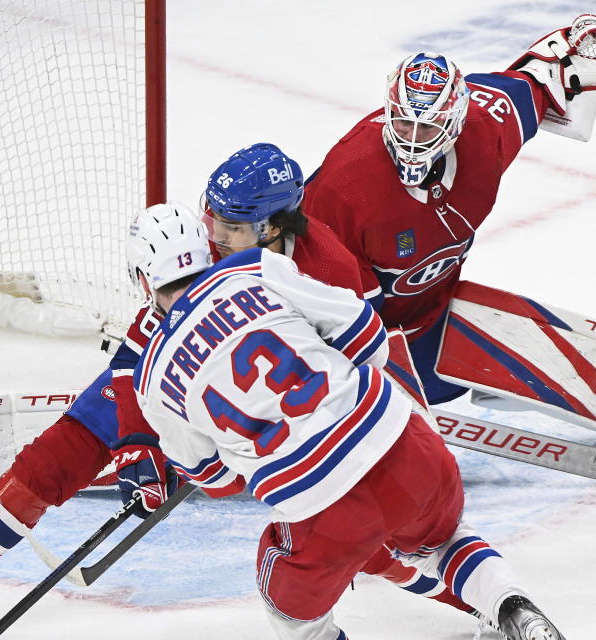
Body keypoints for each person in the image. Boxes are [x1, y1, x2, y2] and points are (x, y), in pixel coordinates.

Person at [0, 145, 474, 630]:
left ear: (269, 226)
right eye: (211, 214)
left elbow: (362, 359)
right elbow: (136, 366)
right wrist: (142, 448)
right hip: (166, 386)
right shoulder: (199, 247)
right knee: (46, 464)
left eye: (228, 222)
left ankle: (472, 595)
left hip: (270, 429)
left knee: (360, 524)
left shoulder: (327, 269)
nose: (212, 231)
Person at [127, 202, 566, 640]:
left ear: (144, 280)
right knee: (447, 542)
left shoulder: (150, 379)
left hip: (321, 505)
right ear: (205, 251)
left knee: (291, 612)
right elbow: (367, 333)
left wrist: (244, 446)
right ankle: (513, 604)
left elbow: (217, 482)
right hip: (403, 442)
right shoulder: (255, 268)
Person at [303, 14, 596, 405]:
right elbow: (337, 314)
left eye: (427, 128)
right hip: (374, 345)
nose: (412, 140)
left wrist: (573, 57)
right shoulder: (342, 189)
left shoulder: (487, 125)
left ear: (457, 119)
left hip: (440, 314)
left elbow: (541, 78)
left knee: (534, 368)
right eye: (404, 123)